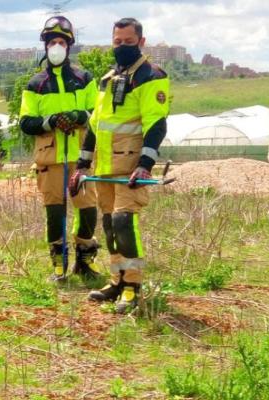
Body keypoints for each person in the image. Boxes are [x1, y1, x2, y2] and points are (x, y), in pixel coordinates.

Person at [75, 17, 170, 314]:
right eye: (118, 42)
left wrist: (145, 164)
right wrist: (82, 165)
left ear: (141, 42)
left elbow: (156, 124)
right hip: (104, 167)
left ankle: (132, 286)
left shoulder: (151, 76)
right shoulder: (107, 79)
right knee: (109, 226)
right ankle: (116, 281)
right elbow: (95, 125)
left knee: (123, 223)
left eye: (129, 42)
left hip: (130, 168)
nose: (122, 46)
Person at [19, 16, 101, 282]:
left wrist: (79, 116)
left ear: (69, 46)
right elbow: (26, 122)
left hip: (80, 158)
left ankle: (84, 259)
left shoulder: (84, 78)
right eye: (52, 42)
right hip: (50, 159)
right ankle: (58, 264)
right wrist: (51, 121)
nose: (56, 47)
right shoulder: (35, 84)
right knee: (54, 213)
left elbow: (97, 114)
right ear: (45, 46)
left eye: (61, 42)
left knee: (87, 210)